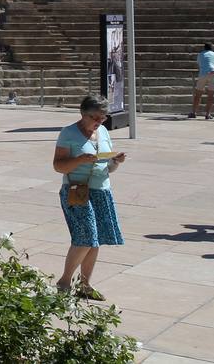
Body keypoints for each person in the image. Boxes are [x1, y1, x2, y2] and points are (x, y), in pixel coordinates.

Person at [53, 94, 126, 300]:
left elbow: (107, 167)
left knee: (95, 240)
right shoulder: (68, 133)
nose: (99, 122)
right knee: (85, 237)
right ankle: (65, 281)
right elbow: (58, 166)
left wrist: (116, 162)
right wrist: (79, 161)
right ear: (83, 114)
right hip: (77, 191)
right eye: (95, 118)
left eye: (103, 118)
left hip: (101, 190)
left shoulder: (102, 132)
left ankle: (85, 285)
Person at [191, 43, 214, 119]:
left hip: (203, 74)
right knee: (211, 95)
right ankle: (208, 114)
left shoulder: (200, 54)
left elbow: (199, 64)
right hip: (212, 73)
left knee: (198, 94)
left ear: (204, 48)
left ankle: (193, 112)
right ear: (212, 48)